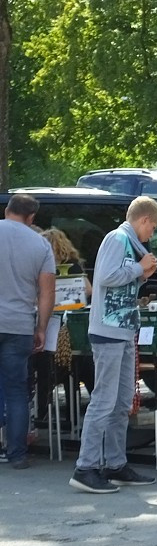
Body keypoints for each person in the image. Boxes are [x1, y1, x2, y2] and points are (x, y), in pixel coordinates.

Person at [68, 196, 157, 493]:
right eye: (154, 227)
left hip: (122, 330)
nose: (153, 234)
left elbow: (121, 283)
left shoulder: (130, 243)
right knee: (104, 401)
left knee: (121, 403)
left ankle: (115, 464)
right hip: (108, 331)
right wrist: (139, 268)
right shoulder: (118, 239)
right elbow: (105, 277)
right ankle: (86, 467)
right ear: (144, 220)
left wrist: (142, 275)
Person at [0, 194, 55, 470]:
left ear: (7, 210)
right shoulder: (41, 245)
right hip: (19, 325)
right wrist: (41, 328)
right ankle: (17, 453)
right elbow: (47, 293)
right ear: (31, 217)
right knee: (16, 391)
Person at [33, 228, 90, 423]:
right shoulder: (73, 265)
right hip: (72, 325)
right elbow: (88, 290)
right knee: (72, 370)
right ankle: (72, 416)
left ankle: (42, 414)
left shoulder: (42, 267)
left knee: (44, 371)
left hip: (50, 324)